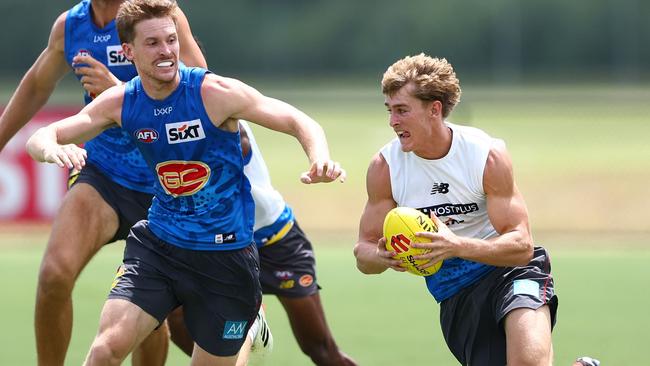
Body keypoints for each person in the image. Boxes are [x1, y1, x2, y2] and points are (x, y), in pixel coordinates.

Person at [25, 0, 345, 364]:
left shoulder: (213, 93)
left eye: (171, 40)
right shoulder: (122, 102)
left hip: (225, 256)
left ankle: (250, 324)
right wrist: (50, 149)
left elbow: (296, 119)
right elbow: (47, 134)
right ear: (128, 51)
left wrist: (319, 156)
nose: (166, 51)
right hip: (159, 247)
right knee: (104, 351)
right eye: (153, 43)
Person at [0, 0, 205, 365]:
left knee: (150, 312)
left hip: (164, 180)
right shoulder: (72, 26)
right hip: (104, 172)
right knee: (54, 274)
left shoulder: (157, 16)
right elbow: (35, 87)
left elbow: (200, 89)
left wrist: (119, 89)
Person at [353, 53, 558, 365]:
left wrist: (456, 245)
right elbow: (362, 254)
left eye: (402, 111)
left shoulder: (485, 155)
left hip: (510, 270)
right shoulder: (386, 167)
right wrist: (383, 256)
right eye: (390, 111)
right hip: (455, 291)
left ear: (434, 110)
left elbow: (521, 246)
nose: (392, 121)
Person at [166, 121, 357, 365]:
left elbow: (287, 123)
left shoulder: (223, 113)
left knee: (319, 348)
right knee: (177, 318)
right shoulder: (163, 115)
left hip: (276, 243)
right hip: (219, 247)